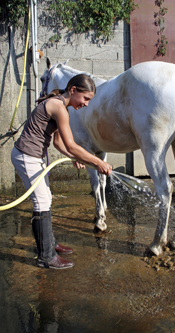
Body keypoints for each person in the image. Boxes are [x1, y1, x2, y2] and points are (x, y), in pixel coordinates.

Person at [11, 74, 112, 269]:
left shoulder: (60, 106)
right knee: (41, 202)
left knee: (46, 199)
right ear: (73, 90)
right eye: (85, 98)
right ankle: (45, 257)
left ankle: (50, 244)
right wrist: (97, 161)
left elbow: (58, 143)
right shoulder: (58, 107)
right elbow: (72, 145)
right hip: (26, 156)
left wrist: (76, 157)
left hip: (34, 157)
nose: (86, 104)